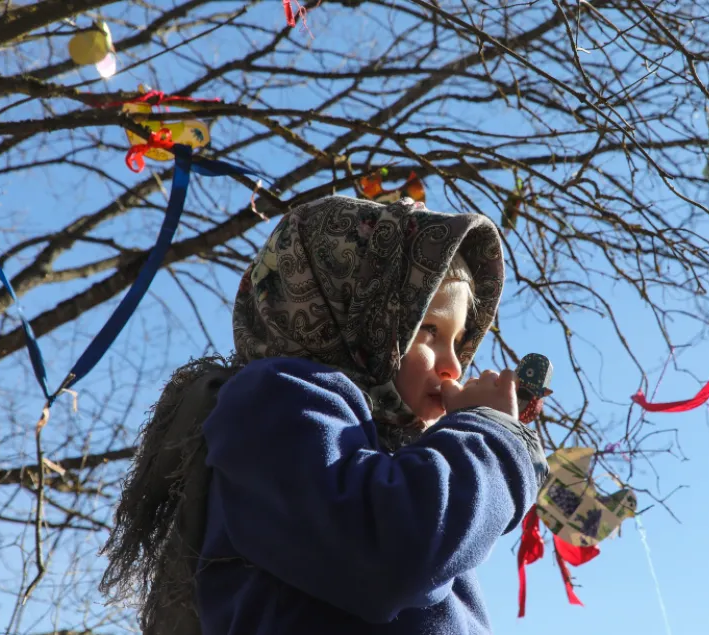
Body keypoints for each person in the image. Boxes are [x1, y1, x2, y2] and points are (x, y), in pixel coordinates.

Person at [100, 196, 548, 635]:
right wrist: (491, 439)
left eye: (459, 340)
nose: (454, 365)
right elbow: (390, 557)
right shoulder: (274, 400)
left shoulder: (398, 457)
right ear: (357, 305)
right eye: (428, 329)